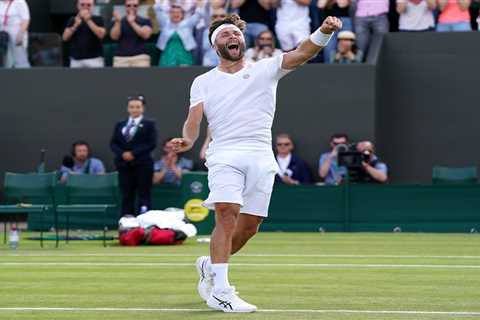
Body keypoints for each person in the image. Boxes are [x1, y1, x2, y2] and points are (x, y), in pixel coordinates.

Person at [170, 13, 342, 312]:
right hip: (224, 154)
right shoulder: (203, 82)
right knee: (226, 213)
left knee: (249, 227)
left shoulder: (265, 69)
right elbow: (193, 120)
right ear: (215, 45)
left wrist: (324, 31)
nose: (233, 38)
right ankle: (222, 291)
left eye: (236, 34)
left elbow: (303, 52)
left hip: (261, 156)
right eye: (225, 35)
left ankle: (210, 266)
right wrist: (187, 140)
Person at [110, 95, 157, 216]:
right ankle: (126, 222)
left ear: (143, 108)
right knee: (126, 194)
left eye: (137, 107)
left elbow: (151, 143)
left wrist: (133, 153)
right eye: (132, 107)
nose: (134, 109)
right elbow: (113, 143)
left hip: (143, 165)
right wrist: (123, 154)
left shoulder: (149, 124)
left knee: (144, 193)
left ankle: (144, 222)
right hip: (124, 165)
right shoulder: (120, 124)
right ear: (128, 108)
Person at [154, 0, 204, 67]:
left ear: (182, 15)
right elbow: (158, 10)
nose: (176, 14)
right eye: (173, 12)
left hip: (184, 55)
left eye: (178, 12)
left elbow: (198, 14)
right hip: (167, 55)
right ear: (169, 14)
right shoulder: (165, 23)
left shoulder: (187, 24)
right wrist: (159, 2)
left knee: (185, 74)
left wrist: (199, 4)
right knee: (165, 74)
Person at [62, 0, 106, 68]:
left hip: (95, 59)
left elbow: (101, 35)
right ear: (77, 5)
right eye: (82, 5)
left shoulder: (98, 19)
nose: (85, 7)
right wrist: (75, 25)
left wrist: (88, 20)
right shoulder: (72, 20)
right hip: (76, 60)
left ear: (93, 6)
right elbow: (64, 37)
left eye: (88, 5)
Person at [110, 0, 153, 67]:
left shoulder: (145, 21)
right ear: (125, 7)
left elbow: (146, 35)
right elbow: (114, 37)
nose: (131, 7)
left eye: (135, 5)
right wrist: (118, 22)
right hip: (121, 58)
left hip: (140, 57)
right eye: (129, 5)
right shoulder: (118, 21)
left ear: (138, 7)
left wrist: (132, 23)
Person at [0, 0, 30, 68]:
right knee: (5, 61)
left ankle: (25, 76)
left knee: (20, 60)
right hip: (3, 34)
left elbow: (25, 19)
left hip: (16, 32)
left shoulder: (20, 2)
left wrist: (20, 34)